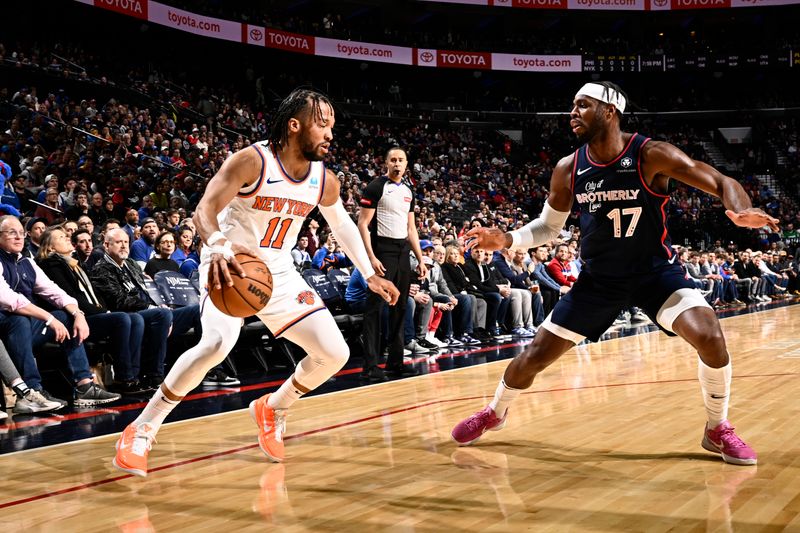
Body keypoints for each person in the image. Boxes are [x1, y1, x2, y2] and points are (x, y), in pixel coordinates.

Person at [451, 81, 778, 466]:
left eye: (582, 105)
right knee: (531, 359)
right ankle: (495, 412)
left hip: (655, 275)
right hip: (599, 282)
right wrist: (506, 237)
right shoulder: (569, 168)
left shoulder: (651, 154)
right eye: (572, 106)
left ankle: (717, 428)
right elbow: (547, 228)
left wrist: (738, 211)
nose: (572, 113)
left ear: (609, 111)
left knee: (709, 336)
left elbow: (722, 181)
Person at [113, 88, 399, 476]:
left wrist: (368, 273)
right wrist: (216, 246)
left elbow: (342, 225)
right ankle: (142, 428)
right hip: (230, 267)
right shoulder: (252, 161)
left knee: (334, 354)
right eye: (323, 124)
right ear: (295, 125)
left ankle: (273, 408)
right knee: (216, 343)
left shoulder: (323, 180)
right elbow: (204, 210)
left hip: (278, 273)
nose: (331, 133)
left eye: (333, 125)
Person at [0, 215, 120, 407]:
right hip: (5, 328)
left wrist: (78, 314)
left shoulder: (27, 263)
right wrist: (48, 318)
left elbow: (55, 292)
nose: (18, 237)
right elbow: (8, 300)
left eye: (21, 233)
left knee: (66, 316)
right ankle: (32, 391)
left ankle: (84, 386)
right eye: (11, 233)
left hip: (29, 327)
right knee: (19, 319)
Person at [36, 228, 150, 395]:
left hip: (91, 313)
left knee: (136, 319)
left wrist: (105, 310)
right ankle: (123, 378)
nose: (68, 238)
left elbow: (94, 294)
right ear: (51, 248)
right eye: (61, 237)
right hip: (76, 317)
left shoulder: (73, 263)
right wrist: (104, 313)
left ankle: (133, 375)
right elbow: (71, 296)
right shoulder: (51, 264)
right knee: (122, 319)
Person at [357, 146, 427, 381]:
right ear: (386, 163)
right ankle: (370, 366)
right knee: (374, 311)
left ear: (407, 164)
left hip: (402, 252)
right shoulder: (376, 187)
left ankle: (395, 363)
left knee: (401, 307)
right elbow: (362, 225)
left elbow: (411, 228)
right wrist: (371, 257)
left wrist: (420, 258)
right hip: (382, 251)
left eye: (401, 160)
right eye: (393, 160)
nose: (397, 164)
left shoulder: (408, 190)